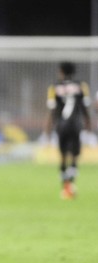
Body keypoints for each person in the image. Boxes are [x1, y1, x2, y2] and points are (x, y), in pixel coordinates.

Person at [45, 61, 91, 199]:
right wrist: (88, 124)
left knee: (63, 156)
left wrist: (47, 128)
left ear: (61, 71)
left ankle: (65, 187)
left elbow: (52, 110)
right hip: (76, 125)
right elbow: (84, 108)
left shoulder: (54, 87)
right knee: (75, 156)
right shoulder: (82, 86)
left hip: (61, 126)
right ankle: (71, 185)